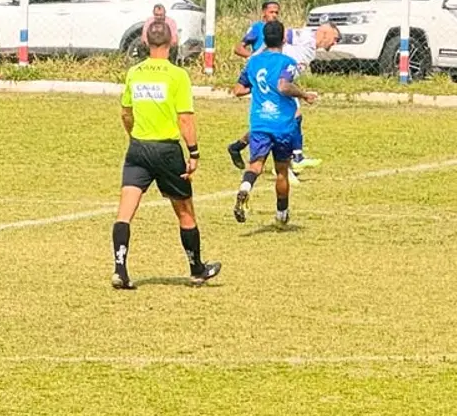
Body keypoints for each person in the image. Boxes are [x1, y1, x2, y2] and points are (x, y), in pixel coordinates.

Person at [112, 19, 221, 290]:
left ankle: (120, 270)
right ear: (173, 42)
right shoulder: (177, 76)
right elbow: (185, 120)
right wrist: (194, 152)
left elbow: (126, 113)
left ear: (146, 42)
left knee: (125, 212)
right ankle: (197, 269)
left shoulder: (134, 73)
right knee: (185, 211)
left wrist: (134, 135)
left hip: (138, 148)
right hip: (167, 150)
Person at [231, 19, 318, 227]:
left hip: (260, 122)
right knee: (281, 170)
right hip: (282, 124)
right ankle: (282, 214)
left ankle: (245, 187)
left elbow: (238, 90)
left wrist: (259, 89)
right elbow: (283, 86)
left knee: (256, 165)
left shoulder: (253, 62)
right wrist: (304, 94)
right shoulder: (287, 62)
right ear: (282, 39)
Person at [227, 22, 340, 177]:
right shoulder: (306, 37)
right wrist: (257, 56)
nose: (335, 43)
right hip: (277, 78)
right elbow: (284, 34)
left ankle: (238, 146)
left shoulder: (311, 49)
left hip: (281, 80)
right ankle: (293, 160)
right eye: (336, 38)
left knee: (271, 121)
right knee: (294, 116)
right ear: (326, 33)